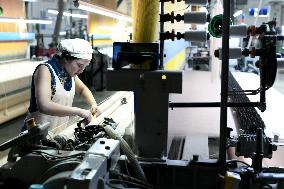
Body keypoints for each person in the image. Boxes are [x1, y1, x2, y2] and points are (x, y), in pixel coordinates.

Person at [22, 38, 99, 132]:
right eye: (79, 65)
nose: (81, 70)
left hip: (57, 133)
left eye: (84, 67)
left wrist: (93, 104)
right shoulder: (45, 70)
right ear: (66, 58)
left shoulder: (69, 74)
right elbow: (44, 105)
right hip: (36, 136)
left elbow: (82, 89)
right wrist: (79, 111)